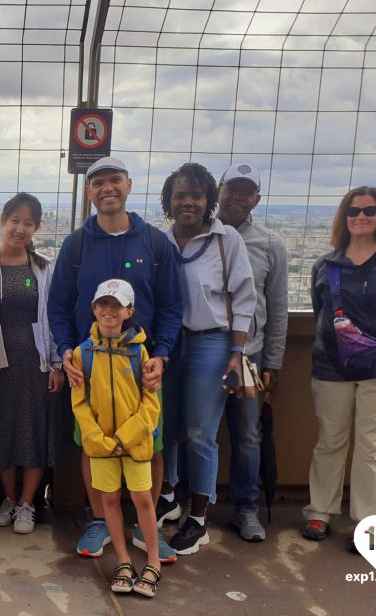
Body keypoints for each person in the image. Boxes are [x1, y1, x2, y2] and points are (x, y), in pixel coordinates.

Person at [48, 156, 182, 562]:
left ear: (128, 185)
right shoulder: (76, 244)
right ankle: (99, 519)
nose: (107, 188)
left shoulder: (156, 243)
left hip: (142, 365)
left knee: (151, 445)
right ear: (88, 192)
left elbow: (172, 306)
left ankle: (147, 525)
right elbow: (58, 307)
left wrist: (161, 355)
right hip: (88, 365)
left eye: (115, 180)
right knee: (92, 444)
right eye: (98, 182)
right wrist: (66, 351)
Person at [302, 186, 376, 548]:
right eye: (354, 211)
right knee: (330, 442)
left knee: (372, 448)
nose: (361, 217)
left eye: (369, 211)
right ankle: (319, 512)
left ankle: (368, 525)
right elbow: (318, 311)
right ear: (344, 217)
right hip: (333, 367)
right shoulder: (326, 265)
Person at [158, 162, 256, 555]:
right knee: (165, 427)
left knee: (200, 432)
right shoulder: (160, 242)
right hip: (168, 344)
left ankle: (198, 517)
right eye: (180, 195)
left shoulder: (225, 239)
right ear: (169, 200)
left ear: (208, 201)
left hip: (210, 342)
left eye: (196, 195)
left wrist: (236, 352)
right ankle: (168, 495)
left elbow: (245, 298)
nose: (188, 203)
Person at [0, 193, 64, 534]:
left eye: (28, 223)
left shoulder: (40, 268)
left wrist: (56, 364)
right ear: (2, 221)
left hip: (35, 361)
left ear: (36, 228)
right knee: (3, 428)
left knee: (34, 429)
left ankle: (28, 502)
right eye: (15, 220)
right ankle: (9, 498)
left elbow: (52, 316)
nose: (20, 228)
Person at [72, 279, 162, 598]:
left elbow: (151, 403)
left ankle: (153, 561)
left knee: (142, 499)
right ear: (94, 309)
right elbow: (79, 402)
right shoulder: (84, 354)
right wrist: (96, 438)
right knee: (108, 499)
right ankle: (123, 560)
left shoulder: (140, 352)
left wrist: (125, 437)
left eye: (116, 305)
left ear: (129, 311)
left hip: (134, 445)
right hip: (102, 447)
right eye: (103, 304)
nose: (109, 310)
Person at [216, 164, 288, 542]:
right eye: (233, 189)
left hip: (249, 356)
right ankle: (192, 504)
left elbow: (278, 309)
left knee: (246, 434)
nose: (238, 197)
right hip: (203, 351)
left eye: (247, 192)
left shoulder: (271, 244)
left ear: (257, 199)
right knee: (196, 434)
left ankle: (246, 508)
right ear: (219, 191)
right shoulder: (198, 236)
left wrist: (272, 363)